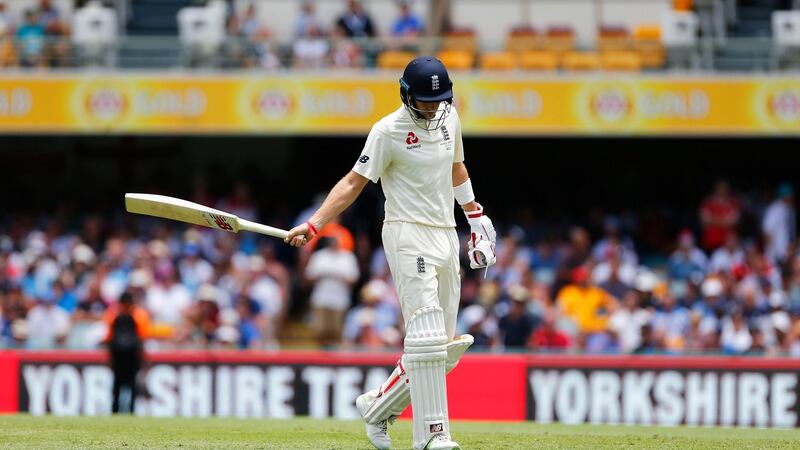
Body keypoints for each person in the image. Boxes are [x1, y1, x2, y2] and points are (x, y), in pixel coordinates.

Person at [284, 56, 495, 450]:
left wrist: (475, 216)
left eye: (439, 100)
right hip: (406, 233)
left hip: (446, 233)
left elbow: (457, 169)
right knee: (428, 337)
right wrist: (314, 225)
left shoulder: (450, 118)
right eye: (425, 101)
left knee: (444, 348)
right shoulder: (388, 131)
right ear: (406, 94)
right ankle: (432, 437)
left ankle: (378, 405)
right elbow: (352, 182)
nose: (432, 108)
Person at [105, 291, 149, 414]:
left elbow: (109, 339)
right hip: (127, 358)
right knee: (125, 386)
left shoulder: (113, 315)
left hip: (126, 358)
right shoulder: (139, 316)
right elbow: (142, 340)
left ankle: (119, 411)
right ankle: (126, 411)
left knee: (122, 386)